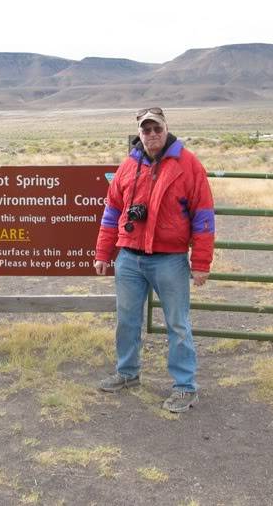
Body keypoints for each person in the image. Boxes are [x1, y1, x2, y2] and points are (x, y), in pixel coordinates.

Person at [94, 107, 215, 413]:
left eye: (156, 129)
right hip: (130, 258)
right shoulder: (128, 166)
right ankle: (127, 373)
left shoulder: (188, 165)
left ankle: (185, 387)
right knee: (127, 320)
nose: (151, 135)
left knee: (177, 323)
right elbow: (112, 212)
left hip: (169, 260)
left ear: (166, 129)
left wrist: (201, 262)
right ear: (140, 134)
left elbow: (203, 217)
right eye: (145, 131)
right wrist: (103, 252)